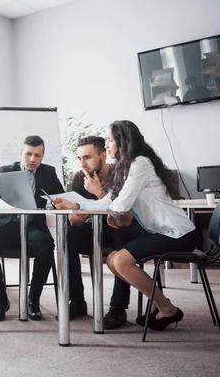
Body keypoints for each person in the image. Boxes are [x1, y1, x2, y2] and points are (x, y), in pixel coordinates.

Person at [55, 120, 200, 331]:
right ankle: (160, 304)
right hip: (160, 231)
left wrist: (90, 203)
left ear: (123, 141)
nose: (107, 145)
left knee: (121, 260)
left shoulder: (140, 163)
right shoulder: (127, 167)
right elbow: (108, 203)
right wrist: (76, 205)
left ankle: (167, 308)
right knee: (113, 260)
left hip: (179, 232)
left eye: (110, 140)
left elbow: (120, 205)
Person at [0, 135, 64, 322]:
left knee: (46, 245)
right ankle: (2, 300)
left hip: (31, 227)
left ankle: (33, 300)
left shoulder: (48, 173)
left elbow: (61, 198)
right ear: (21, 153)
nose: (32, 159)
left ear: (43, 156)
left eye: (37, 155)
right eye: (28, 154)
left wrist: (58, 202)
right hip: (4, 225)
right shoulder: (6, 171)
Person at [66, 136, 143, 329]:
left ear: (102, 156)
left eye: (87, 157)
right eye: (79, 158)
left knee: (121, 234)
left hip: (121, 228)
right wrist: (80, 215)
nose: (82, 163)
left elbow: (125, 217)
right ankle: (77, 301)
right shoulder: (79, 178)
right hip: (95, 231)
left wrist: (100, 193)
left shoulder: (121, 175)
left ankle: (118, 307)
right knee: (69, 235)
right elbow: (73, 220)